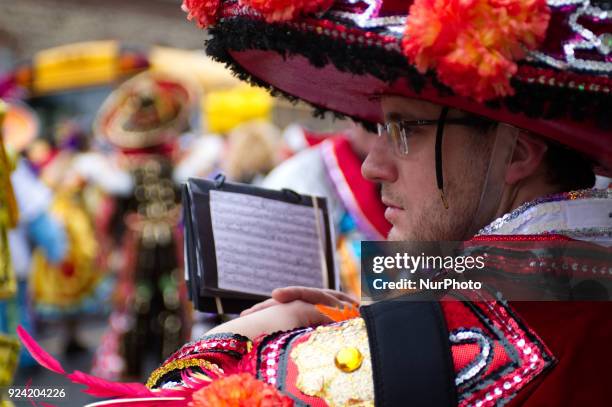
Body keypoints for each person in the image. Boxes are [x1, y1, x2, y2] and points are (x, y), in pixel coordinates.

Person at [19, 0, 611, 405]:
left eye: (406, 130)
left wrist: (257, 332)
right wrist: (363, 314)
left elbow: (180, 396)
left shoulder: (492, 322)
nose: (375, 164)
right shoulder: (580, 273)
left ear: (516, 154)